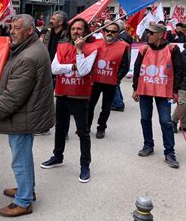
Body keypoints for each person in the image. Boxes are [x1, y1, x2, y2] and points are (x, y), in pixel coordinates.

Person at [0, 14, 54, 217]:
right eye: (11, 27)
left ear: (30, 31)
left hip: (24, 115)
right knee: (23, 155)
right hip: (28, 113)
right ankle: (27, 190)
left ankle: (23, 201)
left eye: (17, 28)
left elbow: (14, 96)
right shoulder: (29, 48)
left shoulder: (28, 56)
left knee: (20, 159)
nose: (12, 32)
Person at [41, 18, 98, 183]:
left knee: (83, 132)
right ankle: (57, 156)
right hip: (62, 93)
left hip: (80, 96)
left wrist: (79, 52)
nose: (76, 32)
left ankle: (85, 165)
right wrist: (71, 67)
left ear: (86, 31)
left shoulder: (92, 48)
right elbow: (54, 68)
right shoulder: (62, 47)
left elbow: (84, 71)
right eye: (73, 29)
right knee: (60, 128)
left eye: (79, 29)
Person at [132, 23, 183, 168]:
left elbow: (179, 70)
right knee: (145, 118)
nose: (148, 35)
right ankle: (148, 145)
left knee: (166, 122)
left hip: (164, 91)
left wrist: (175, 91)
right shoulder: (144, 49)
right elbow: (137, 70)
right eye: (148, 33)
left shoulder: (172, 49)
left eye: (151, 33)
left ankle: (169, 152)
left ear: (160, 35)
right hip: (145, 89)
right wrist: (135, 88)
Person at [88, 21, 130, 139]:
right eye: (107, 31)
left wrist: (117, 79)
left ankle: (101, 128)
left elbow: (125, 66)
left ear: (118, 33)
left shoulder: (124, 46)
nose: (110, 33)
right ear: (104, 31)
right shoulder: (96, 43)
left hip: (111, 82)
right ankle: (86, 126)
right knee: (90, 105)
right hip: (95, 80)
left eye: (113, 31)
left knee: (106, 108)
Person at [40, 10, 69, 136]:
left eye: (53, 18)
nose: (50, 20)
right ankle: (45, 127)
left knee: (63, 102)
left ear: (60, 22)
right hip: (48, 70)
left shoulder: (68, 36)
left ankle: (63, 131)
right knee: (45, 100)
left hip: (61, 72)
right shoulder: (48, 33)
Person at [111, 20, 133, 112]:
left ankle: (118, 103)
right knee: (116, 84)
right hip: (122, 64)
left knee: (114, 83)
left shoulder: (121, 38)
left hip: (120, 65)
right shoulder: (126, 36)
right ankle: (118, 101)